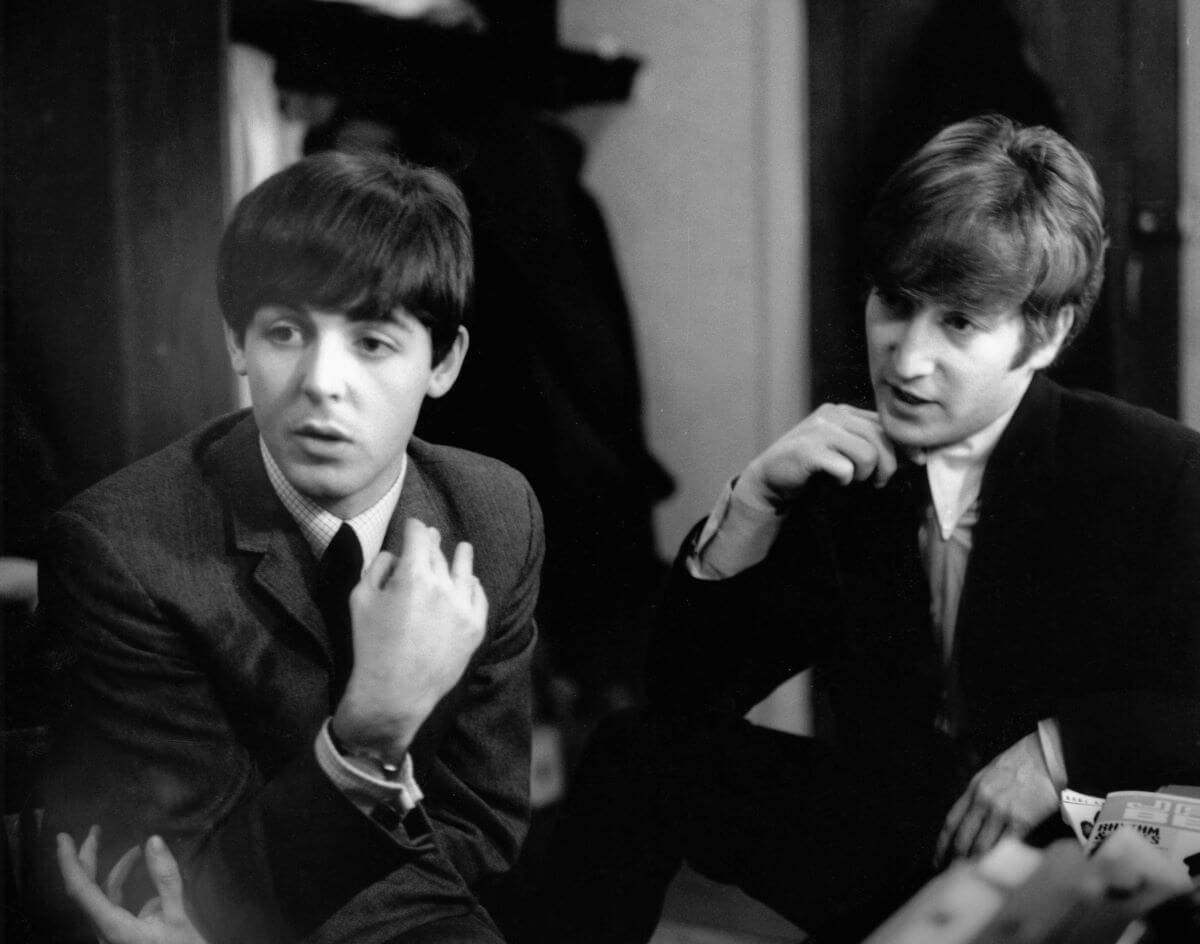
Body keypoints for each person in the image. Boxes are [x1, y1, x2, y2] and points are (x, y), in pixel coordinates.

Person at [529, 115, 1200, 943]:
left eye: (957, 323)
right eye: (895, 302)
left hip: (1085, 858)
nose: (905, 359)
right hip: (897, 846)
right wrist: (752, 505)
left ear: (1047, 332)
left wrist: (1056, 752)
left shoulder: (1154, 470)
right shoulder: (842, 473)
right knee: (638, 753)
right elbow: (685, 700)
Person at [34, 151, 543, 944]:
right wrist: (369, 735)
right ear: (238, 344)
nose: (320, 382)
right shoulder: (123, 549)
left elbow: (484, 828)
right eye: (284, 331)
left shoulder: (494, 513)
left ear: (443, 363)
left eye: (372, 343)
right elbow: (185, 887)